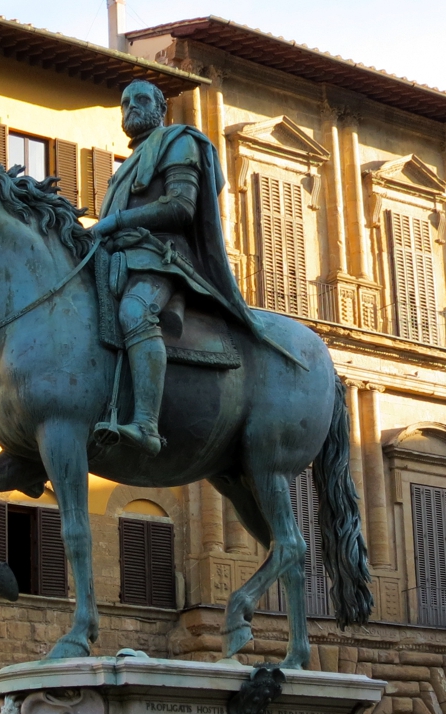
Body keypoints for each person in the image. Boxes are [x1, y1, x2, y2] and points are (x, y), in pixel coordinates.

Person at [89, 80, 300, 454]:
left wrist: (118, 222)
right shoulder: (126, 167)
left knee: (135, 312)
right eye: (124, 103)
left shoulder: (178, 141)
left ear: (161, 108)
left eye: (140, 100)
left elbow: (180, 207)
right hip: (118, 260)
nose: (131, 108)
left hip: (160, 259)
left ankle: (147, 426)